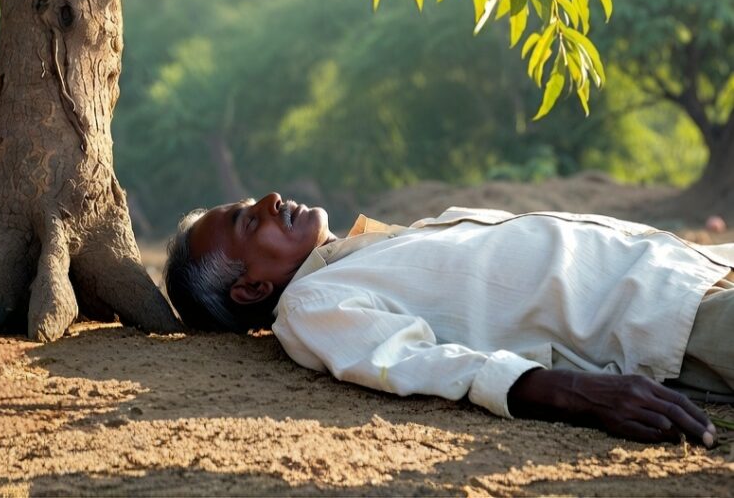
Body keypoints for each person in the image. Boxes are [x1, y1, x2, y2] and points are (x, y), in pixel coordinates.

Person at [164, 192, 734, 448]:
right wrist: (587, 394)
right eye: (247, 221)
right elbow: (421, 363)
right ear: (252, 289)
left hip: (692, 266)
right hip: (672, 319)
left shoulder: (366, 249)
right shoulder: (312, 304)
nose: (270, 198)